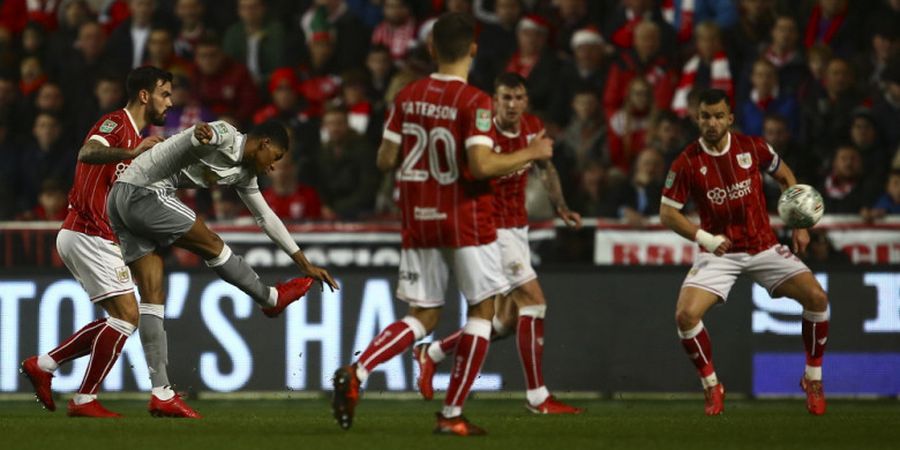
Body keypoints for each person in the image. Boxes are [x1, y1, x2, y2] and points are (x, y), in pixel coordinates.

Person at [330, 13, 553, 436]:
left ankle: (359, 371)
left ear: (430, 49)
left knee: (423, 314)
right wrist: (531, 152)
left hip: (417, 217)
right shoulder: (475, 102)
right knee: (484, 311)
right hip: (464, 219)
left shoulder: (406, 96)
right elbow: (481, 164)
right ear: (471, 50)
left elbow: (384, 160)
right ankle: (452, 415)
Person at [106, 119, 338, 418]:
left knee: (152, 294)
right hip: (144, 191)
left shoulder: (244, 174)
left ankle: (161, 392)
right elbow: (205, 133)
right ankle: (270, 298)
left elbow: (266, 218)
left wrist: (304, 264)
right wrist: (199, 133)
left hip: (119, 199)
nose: (272, 167)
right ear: (264, 143)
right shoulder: (226, 134)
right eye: (275, 157)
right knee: (212, 243)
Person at [412, 72, 583, 415]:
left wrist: (560, 205)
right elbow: (478, 170)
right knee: (535, 302)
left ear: (526, 102)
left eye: (518, 98)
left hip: (517, 229)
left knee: (503, 323)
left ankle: (432, 353)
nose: (512, 104)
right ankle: (538, 397)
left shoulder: (532, 127)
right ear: (494, 100)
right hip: (489, 228)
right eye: (505, 97)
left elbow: (546, 168)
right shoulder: (482, 133)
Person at [659, 89, 830, 416]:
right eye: (706, 116)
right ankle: (712, 385)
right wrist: (705, 239)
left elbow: (785, 176)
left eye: (718, 116)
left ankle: (813, 379)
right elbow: (668, 213)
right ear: (697, 118)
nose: (712, 123)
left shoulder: (753, 147)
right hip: (719, 253)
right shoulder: (686, 162)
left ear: (730, 119)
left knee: (818, 299)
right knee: (685, 315)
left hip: (763, 245)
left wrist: (799, 223)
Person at [19, 66, 176, 418]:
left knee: (122, 319)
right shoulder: (116, 123)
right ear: (145, 95)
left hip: (94, 234)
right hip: (86, 231)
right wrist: (132, 154)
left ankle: (45, 366)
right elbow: (87, 152)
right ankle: (82, 398)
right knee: (126, 318)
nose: (171, 102)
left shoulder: (139, 136)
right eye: (165, 94)